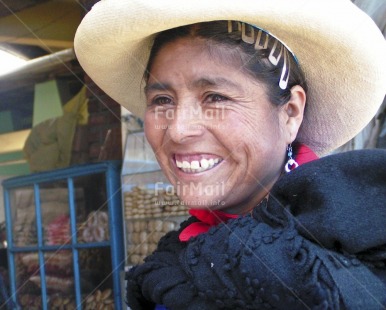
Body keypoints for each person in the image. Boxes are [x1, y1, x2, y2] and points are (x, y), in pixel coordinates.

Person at [74, 0, 386, 309]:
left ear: (290, 112)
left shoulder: (358, 246)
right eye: (163, 100)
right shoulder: (179, 263)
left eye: (215, 97)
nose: (178, 130)